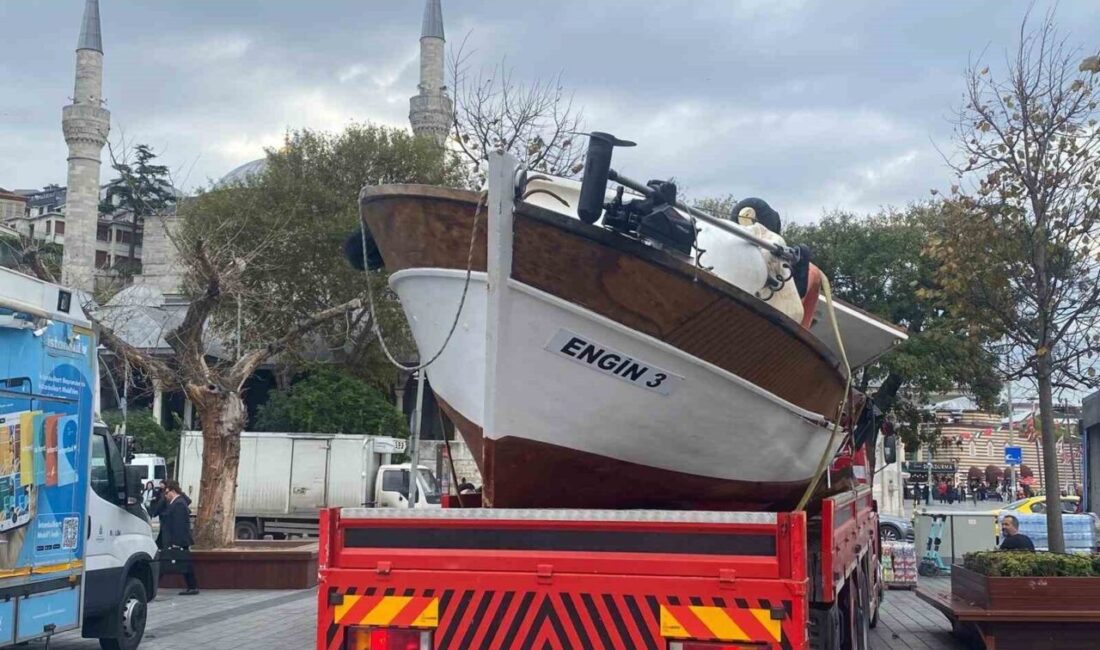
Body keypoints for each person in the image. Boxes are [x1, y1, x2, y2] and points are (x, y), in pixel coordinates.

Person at [161, 480, 199, 595]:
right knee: (185, 564)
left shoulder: (178, 504)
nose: (165, 496)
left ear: (173, 491)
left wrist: (176, 542)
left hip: (179, 540)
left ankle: (192, 587)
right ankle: (192, 586)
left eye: (167, 493)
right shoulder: (177, 503)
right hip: (179, 540)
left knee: (184, 564)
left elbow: (179, 524)